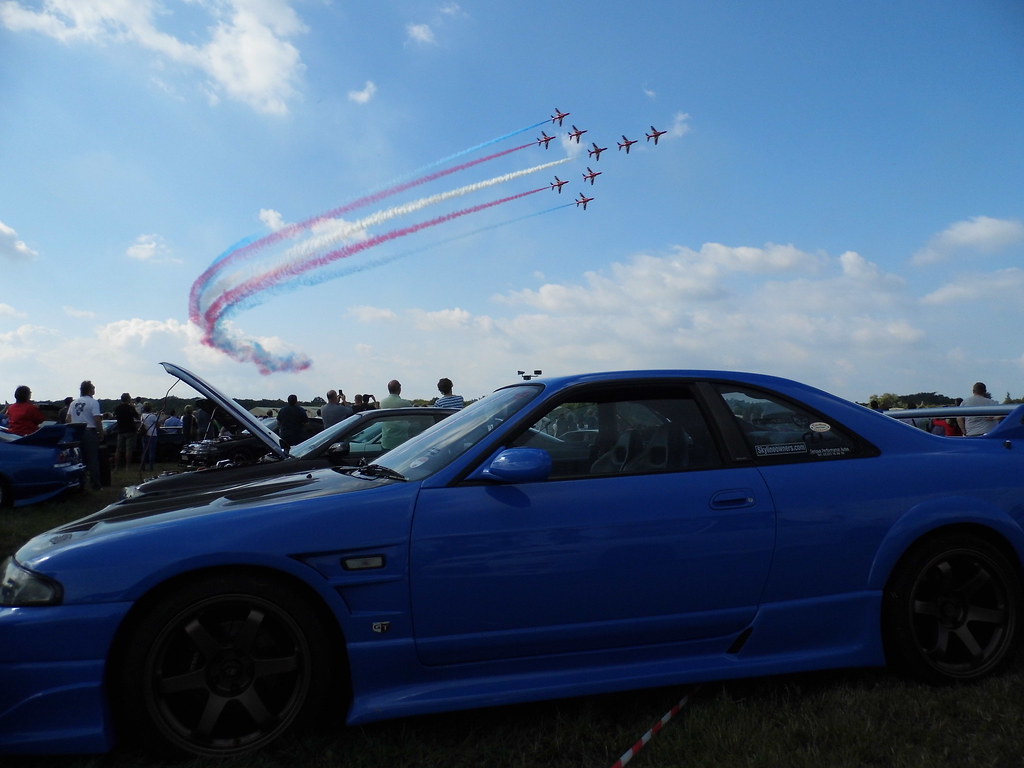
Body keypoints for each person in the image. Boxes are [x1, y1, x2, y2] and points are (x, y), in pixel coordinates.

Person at [67, 380, 104, 489]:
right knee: (92, 459)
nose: (94, 390)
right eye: (93, 388)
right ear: (89, 390)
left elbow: (68, 419)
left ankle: (80, 484)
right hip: (89, 431)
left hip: (76, 432)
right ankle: (95, 484)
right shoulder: (93, 402)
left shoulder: (73, 403)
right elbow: (97, 419)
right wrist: (100, 432)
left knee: (79, 460)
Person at [112, 392, 138, 469]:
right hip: (130, 430)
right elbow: (137, 417)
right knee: (129, 450)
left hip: (120, 430)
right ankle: (128, 467)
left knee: (118, 450)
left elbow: (114, 417)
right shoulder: (130, 408)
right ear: (128, 399)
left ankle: (116, 466)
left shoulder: (117, 408)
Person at [139, 403, 159, 471]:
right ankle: (151, 467)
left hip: (145, 434)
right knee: (152, 451)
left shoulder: (142, 415)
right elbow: (158, 425)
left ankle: (142, 467)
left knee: (144, 451)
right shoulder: (153, 416)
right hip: (152, 434)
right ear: (150, 408)